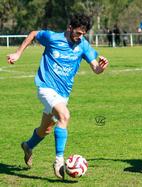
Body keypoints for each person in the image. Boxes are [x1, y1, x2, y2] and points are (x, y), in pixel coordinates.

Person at [7, 14, 109, 179]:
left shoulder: (83, 45)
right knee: (65, 115)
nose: (80, 37)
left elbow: (96, 69)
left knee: (45, 129)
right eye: (77, 33)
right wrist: (18, 53)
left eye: (83, 34)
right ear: (69, 28)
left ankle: (28, 145)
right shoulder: (53, 38)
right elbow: (34, 33)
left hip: (63, 94)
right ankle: (59, 161)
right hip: (45, 87)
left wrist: (102, 67)